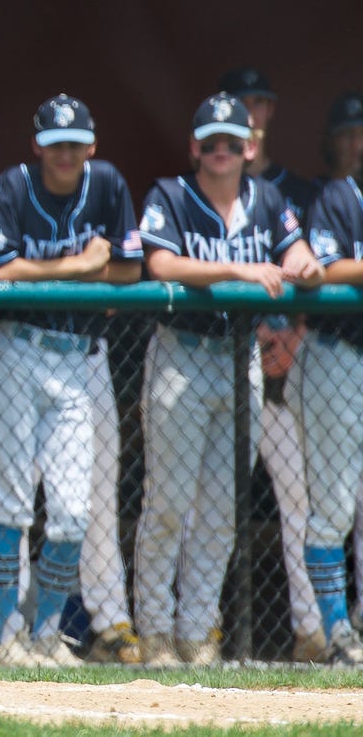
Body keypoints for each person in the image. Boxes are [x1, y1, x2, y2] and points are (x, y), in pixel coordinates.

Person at [133, 92, 324, 666]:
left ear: (250, 147)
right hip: (182, 354)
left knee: (222, 507)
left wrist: (307, 266)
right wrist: (239, 269)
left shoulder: (266, 199)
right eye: (209, 142)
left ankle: (196, 633)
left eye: (231, 142)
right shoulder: (170, 193)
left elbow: (301, 253)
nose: (221, 151)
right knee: (167, 502)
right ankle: (156, 631)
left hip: (238, 359)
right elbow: (160, 264)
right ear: (195, 147)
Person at [0, 94, 143, 667]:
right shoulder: (15, 185)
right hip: (16, 350)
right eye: (54, 145)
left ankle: (46, 635)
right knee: (13, 505)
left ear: (90, 146)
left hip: (77, 358)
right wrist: (81, 265)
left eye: (74, 145)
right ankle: (6, 635)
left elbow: (131, 267)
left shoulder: (110, 183)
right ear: (37, 147)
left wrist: (85, 267)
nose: (64, 154)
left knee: (73, 510)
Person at [217, 67, 325, 662]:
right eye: (241, 104)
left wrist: (294, 339)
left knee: (301, 507)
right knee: (199, 506)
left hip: (285, 373)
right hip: (215, 361)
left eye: (261, 102)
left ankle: (313, 632)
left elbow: (310, 266)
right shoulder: (194, 192)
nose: (252, 113)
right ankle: (190, 632)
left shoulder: (296, 193)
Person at [290, 91, 363, 664]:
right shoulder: (335, 197)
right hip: (336, 355)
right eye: (348, 132)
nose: (358, 142)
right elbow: (326, 267)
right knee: (334, 504)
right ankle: (336, 633)